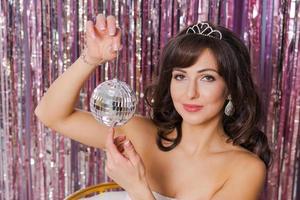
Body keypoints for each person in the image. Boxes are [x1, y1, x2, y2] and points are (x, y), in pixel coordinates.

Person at [35, 14, 272, 200]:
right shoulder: (140, 134)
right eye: (180, 76)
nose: (190, 93)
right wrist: (91, 58)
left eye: (207, 78)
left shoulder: (245, 169)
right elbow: (51, 115)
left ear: (230, 87)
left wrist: (138, 189)